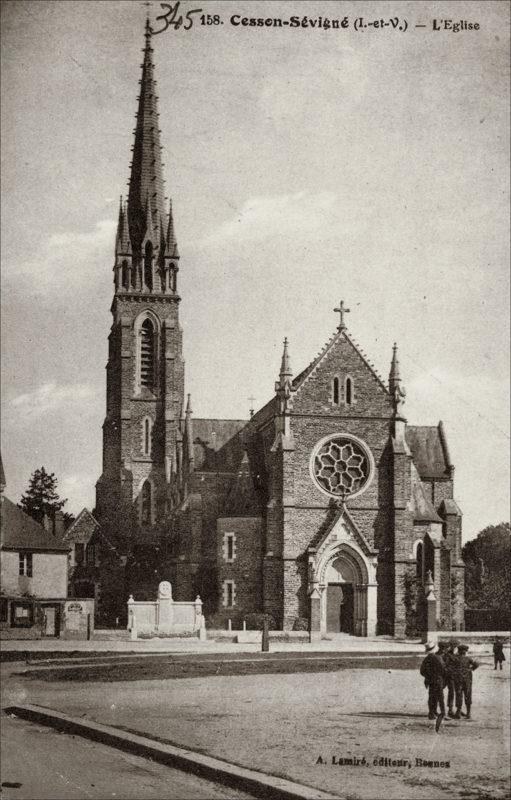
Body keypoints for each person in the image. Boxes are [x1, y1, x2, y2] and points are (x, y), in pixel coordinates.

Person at [420, 641, 446, 732]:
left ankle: (432, 712)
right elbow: (443, 669)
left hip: (430, 680)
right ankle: (442, 713)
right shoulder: (438, 658)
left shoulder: (426, 659)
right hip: (438, 680)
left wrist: (428, 676)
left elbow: (422, 671)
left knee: (431, 696)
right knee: (440, 697)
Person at [457, 644, 479, 720]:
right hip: (467, 680)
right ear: (465, 651)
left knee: (459, 695)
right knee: (468, 695)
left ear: (459, 651)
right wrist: (471, 669)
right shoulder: (468, 659)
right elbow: (476, 664)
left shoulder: (456, 659)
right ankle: (468, 713)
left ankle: (458, 712)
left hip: (459, 680)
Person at [443, 640, 460, 717]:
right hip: (451, 677)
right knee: (452, 692)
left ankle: (458, 709)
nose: (454, 648)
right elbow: (445, 666)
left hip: (458, 677)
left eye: (456, 646)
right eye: (453, 646)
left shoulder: (459, 654)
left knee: (459, 692)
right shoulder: (447, 655)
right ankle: (450, 709)